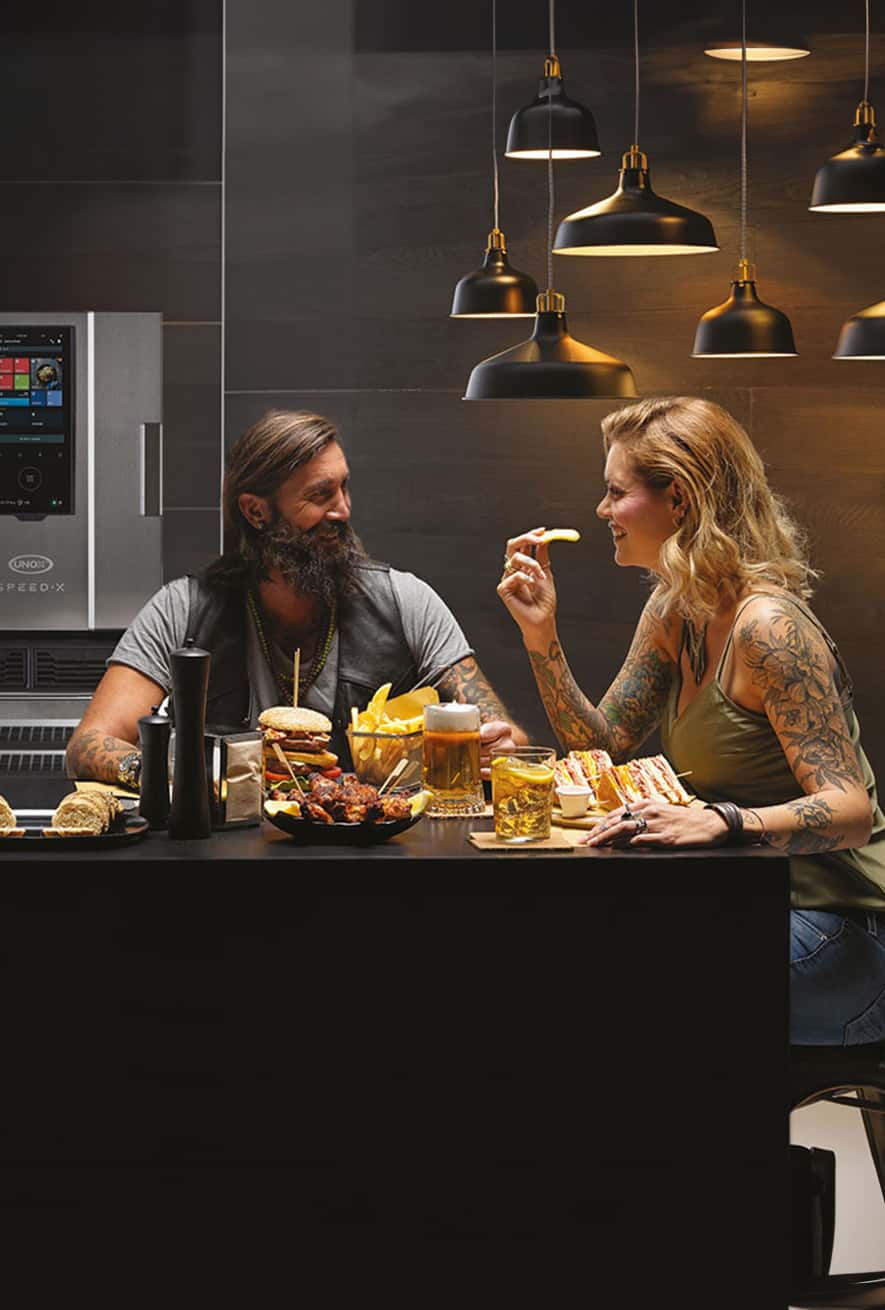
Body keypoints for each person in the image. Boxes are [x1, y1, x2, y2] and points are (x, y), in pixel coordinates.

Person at [497, 396, 885, 1046]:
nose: (601, 511)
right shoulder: (674, 611)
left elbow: (849, 812)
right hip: (755, 906)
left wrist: (721, 821)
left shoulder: (768, 627)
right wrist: (541, 637)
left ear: (676, 500)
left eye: (614, 492)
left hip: (842, 933)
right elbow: (601, 746)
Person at [66, 409, 526, 788]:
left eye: (344, 487)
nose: (343, 510)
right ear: (256, 511)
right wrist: (181, 773)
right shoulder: (182, 608)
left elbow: (510, 741)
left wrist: (496, 750)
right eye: (320, 495)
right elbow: (89, 744)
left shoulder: (407, 601)